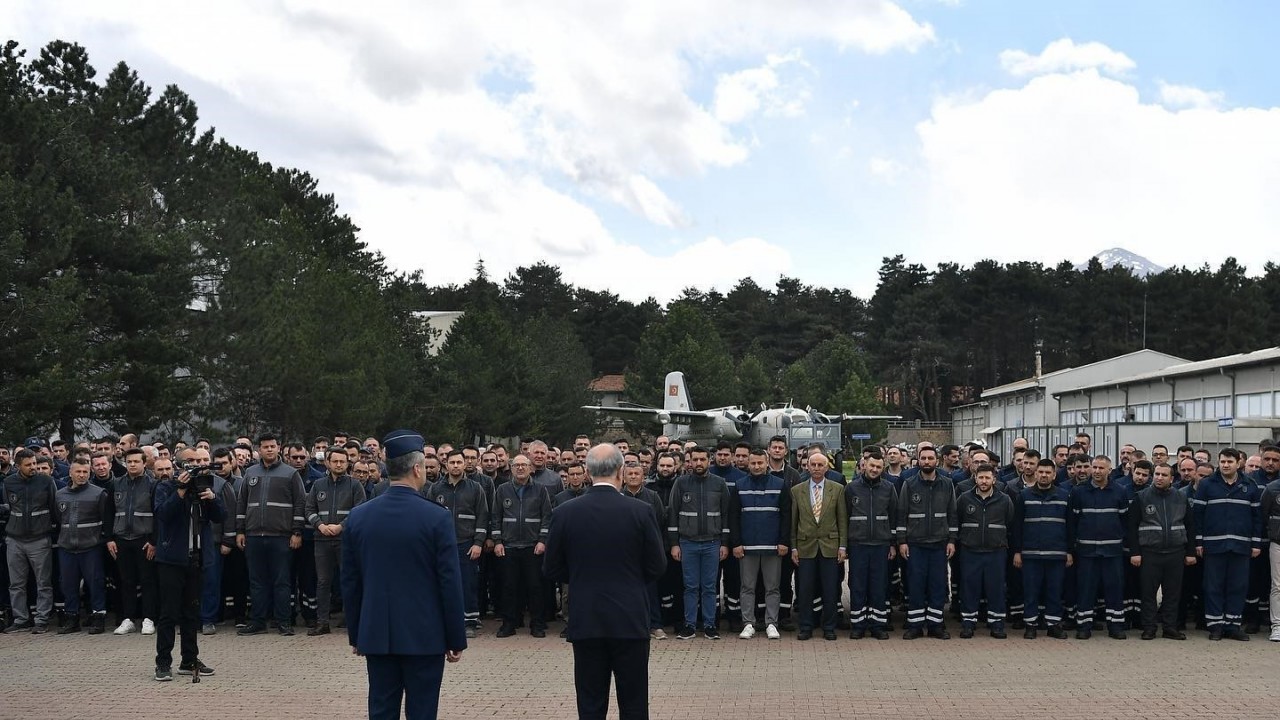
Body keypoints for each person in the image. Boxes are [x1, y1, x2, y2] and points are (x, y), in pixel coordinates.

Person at [343, 429, 465, 720]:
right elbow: (449, 581)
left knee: (381, 709)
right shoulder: (436, 517)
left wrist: (357, 633)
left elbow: (350, 581)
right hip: (425, 634)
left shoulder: (358, 516)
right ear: (417, 469)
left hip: (377, 631)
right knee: (422, 710)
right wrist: (455, 637)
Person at [544, 444, 666, 720]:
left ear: (587, 473)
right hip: (630, 617)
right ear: (621, 471)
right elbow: (657, 565)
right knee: (634, 703)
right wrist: (631, 581)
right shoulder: (641, 511)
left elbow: (551, 568)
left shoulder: (565, 512)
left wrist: (580, 577)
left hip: (586, 616)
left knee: (590, 703)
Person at [151, 449, 224, 681]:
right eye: (190, 462)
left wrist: (212, 498)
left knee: (191, 613)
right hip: (171, 560)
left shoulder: (204, 486)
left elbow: (220, 516)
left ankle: (189, 659)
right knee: (168, 613)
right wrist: (180, 491)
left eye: (200, 461)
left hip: (196, 558)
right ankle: (163, 662)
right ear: (179, 465)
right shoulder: (165, 486)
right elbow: (163, 514)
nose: (197, 465)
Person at [235, 434, 306, 636]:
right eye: (265, 447)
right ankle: (258, 621)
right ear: (259, 449)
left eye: (272, 446)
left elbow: (300, 503)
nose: (269, 449)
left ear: (278, 448)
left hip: (281, 537)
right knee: (256, 581)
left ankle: (283, 621)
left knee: (282, 581)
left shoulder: (291, 474)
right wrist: (240, 531)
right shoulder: (250, 473)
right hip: (253, 536)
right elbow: (242, 503)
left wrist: (297, 531)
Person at [1192, 448, 1263, 641]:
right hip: (1213, 545)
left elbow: (1257, 517)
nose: (1225, 465)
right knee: (1213, 586)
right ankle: (1215, 626)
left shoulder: (1250, 485)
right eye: (1222, 461)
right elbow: (1197, 516)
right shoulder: (1207, 485)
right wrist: (1198, 541)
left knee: (1238, 586)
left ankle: (1232, 626)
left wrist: (1256, 543)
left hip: (1241, 546)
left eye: (1229, 462)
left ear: (1238, 463)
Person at [667, 446, 731, 640]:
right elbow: (673, 513)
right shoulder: (681, 483)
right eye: (695, 459)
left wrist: (724, 543)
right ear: (690, 461)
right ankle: (690, 625)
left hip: (712, 543)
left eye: (702, 459)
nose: (698, 463)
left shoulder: (719, 483)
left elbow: (726, 515)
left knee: (710, 586)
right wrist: (674, 543)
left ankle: (710, 625)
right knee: (690, 586)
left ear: (709, 460)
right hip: (688, 543)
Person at [1126, 462, 1195, 640]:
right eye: (1156, 474)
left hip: (1175, 552)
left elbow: (1190, 526)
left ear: (1171, 479)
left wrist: (1190, 552)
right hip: (1150, 553)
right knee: (1148, 593)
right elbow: (1131, 527)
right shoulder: (1141, 497)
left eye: (1164, 475)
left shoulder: (1181, 497)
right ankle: (1149, 628)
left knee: (1172, 594)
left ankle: (1169, 627)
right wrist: (1135, 552)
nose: (1159, 478)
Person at [728, 448, 790, 640]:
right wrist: (736, 543)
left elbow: (786, 515)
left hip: (773, 547)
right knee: (747, 587)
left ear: (766, 463)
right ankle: (748, 623)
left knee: (773, 587)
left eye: (760, 463)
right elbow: (734, 516)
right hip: (747, 547)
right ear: (748, 464)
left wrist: (783, 541)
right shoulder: (740, 485)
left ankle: (772, 623)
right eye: (753, 463)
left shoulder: (780, 484)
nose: (756, 466)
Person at [424, 450, 487, 638]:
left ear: (465, 464)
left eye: (459, 462)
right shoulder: (435, 489)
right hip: (442, 545)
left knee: (468, 584)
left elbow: (482, 516)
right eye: (452, 462)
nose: (456, 465)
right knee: (441, 583)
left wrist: (478, 543)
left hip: (467, 544)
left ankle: (470, 622)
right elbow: (428, 518)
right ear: (446, 464)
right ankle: (444, 620)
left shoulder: (475, 488)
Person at [305, 447, 367, 636]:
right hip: (321, 539)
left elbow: (360, 511)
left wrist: (341, 526)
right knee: (323, 581)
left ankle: (351, 620)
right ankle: (323, 622)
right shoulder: (318, 485)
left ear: (348, 463)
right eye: (335, 461)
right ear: (327, 463)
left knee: (348, 579)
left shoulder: (355, 485)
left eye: (342, 461)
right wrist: (320, 526)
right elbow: (309, 509)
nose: (339, 464)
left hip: (346, 540)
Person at [896, 446, 956, 640]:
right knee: (916, 585)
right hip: (916, 544)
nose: (927, 461)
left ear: (937, 461)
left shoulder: (947, 484)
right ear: (918, 460)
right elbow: (901, 514)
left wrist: (952, 540)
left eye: (931, 458)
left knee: (937, 585)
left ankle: (935, 625)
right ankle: (915, 625)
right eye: (924, 458)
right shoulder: (909, 484)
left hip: (939, 544)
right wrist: (902, 541)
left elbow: (952, 514)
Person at [1069, 455, 1131, 640]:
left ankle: (1116, 626)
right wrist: (1074, 547)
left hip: (1113, 552)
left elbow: (1125, 522)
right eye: (1094, 467)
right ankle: (1084, 626)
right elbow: (1073, 522)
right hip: (1087, 552)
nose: (1096, 471)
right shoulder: (1079, 492)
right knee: (1086, 589)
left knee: (1115, 589)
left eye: (1101, 468)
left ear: (1109, 471)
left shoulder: (1120, 491)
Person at [492, 454, 553, 638]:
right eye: (516, 465)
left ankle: (537, 624)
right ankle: (508, 624)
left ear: (530, 468)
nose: (520, 468)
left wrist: (542, 540)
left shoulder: (540, 490)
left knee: (535, 587)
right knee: (509, 587)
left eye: (523, 465)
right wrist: (497, 541)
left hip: (533, 546)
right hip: (509, 546)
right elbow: (496, 517)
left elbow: (547, 517)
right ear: (511, 469)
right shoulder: (502, 490)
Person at [789, 453, 847, 641]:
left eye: (820, 465)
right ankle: (806, 626)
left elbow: (842, 520)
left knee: (830, 589)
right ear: (807, 467)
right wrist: (794, 547)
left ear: (827, 467)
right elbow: (793, 521)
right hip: (805, 546)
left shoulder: (837, 489)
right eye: (812, 464)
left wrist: (842, 546)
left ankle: (829, 627)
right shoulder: (797, 490)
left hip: (830, 546)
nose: (816, 468)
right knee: (805, 589)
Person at [4, 449, 61, 633]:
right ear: (17, 465)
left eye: (34, 463)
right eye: (28, 465)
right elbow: (7, 508)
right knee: (16, 583)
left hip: (40, 538)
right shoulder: (9, 482)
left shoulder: (46, 481)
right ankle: (21, 619)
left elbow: (54, 507)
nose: (33, 467)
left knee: (43, 582)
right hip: (15, 539)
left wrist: (55, 532)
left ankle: (42, 619)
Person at [955, 463, 1014, 639]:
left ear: (994, 479)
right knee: (969, 588)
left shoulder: (1004, 500)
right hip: (970, 551)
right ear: (975, 478)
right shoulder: (964, 498)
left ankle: (997, 624)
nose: (984, 481)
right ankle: (968, 623)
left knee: (996, 588)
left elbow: (1010, 523)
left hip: (996, 552)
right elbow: (957, 521)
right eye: (981, 477)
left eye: (987, 477)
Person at [844, 450, 896, 640]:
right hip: (858, 544)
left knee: (879, 586)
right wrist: (846, 545)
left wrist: (892, 544)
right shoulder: (851, 488)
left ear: (883, 468)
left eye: (878, 467)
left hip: (881, 545)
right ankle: (858, 625)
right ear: (864, 465)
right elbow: (845, 516)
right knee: (858, 585)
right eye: (872, 465)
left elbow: (894, 516)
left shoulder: (889, 488)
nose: (874, 469)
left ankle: (878, 625)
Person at [54, 457, 110, 634]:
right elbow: (58, 518)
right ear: (70, 473)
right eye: (78, 471)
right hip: (66, 548)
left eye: (85, 471)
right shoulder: (59, 494)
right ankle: (72, 618)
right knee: (68, 584)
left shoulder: (99, 494)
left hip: (91, 547)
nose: (81, 475)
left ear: (90, 473)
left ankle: (98, 617)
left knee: (95, 583)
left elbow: (106, 520)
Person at [109, 447, 159, 635]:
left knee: (147, 581)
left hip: (144, 540)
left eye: (136, 461)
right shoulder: (116, 484)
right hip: (121, 539)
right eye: (129, 461)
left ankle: (148, 618)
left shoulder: (152, 485)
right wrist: (109, 538)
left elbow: (158, 515)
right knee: (126, 581)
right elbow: (109, 512)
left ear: (144, 463)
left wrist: (153, 540)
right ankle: (128, 619)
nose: (132, 465)